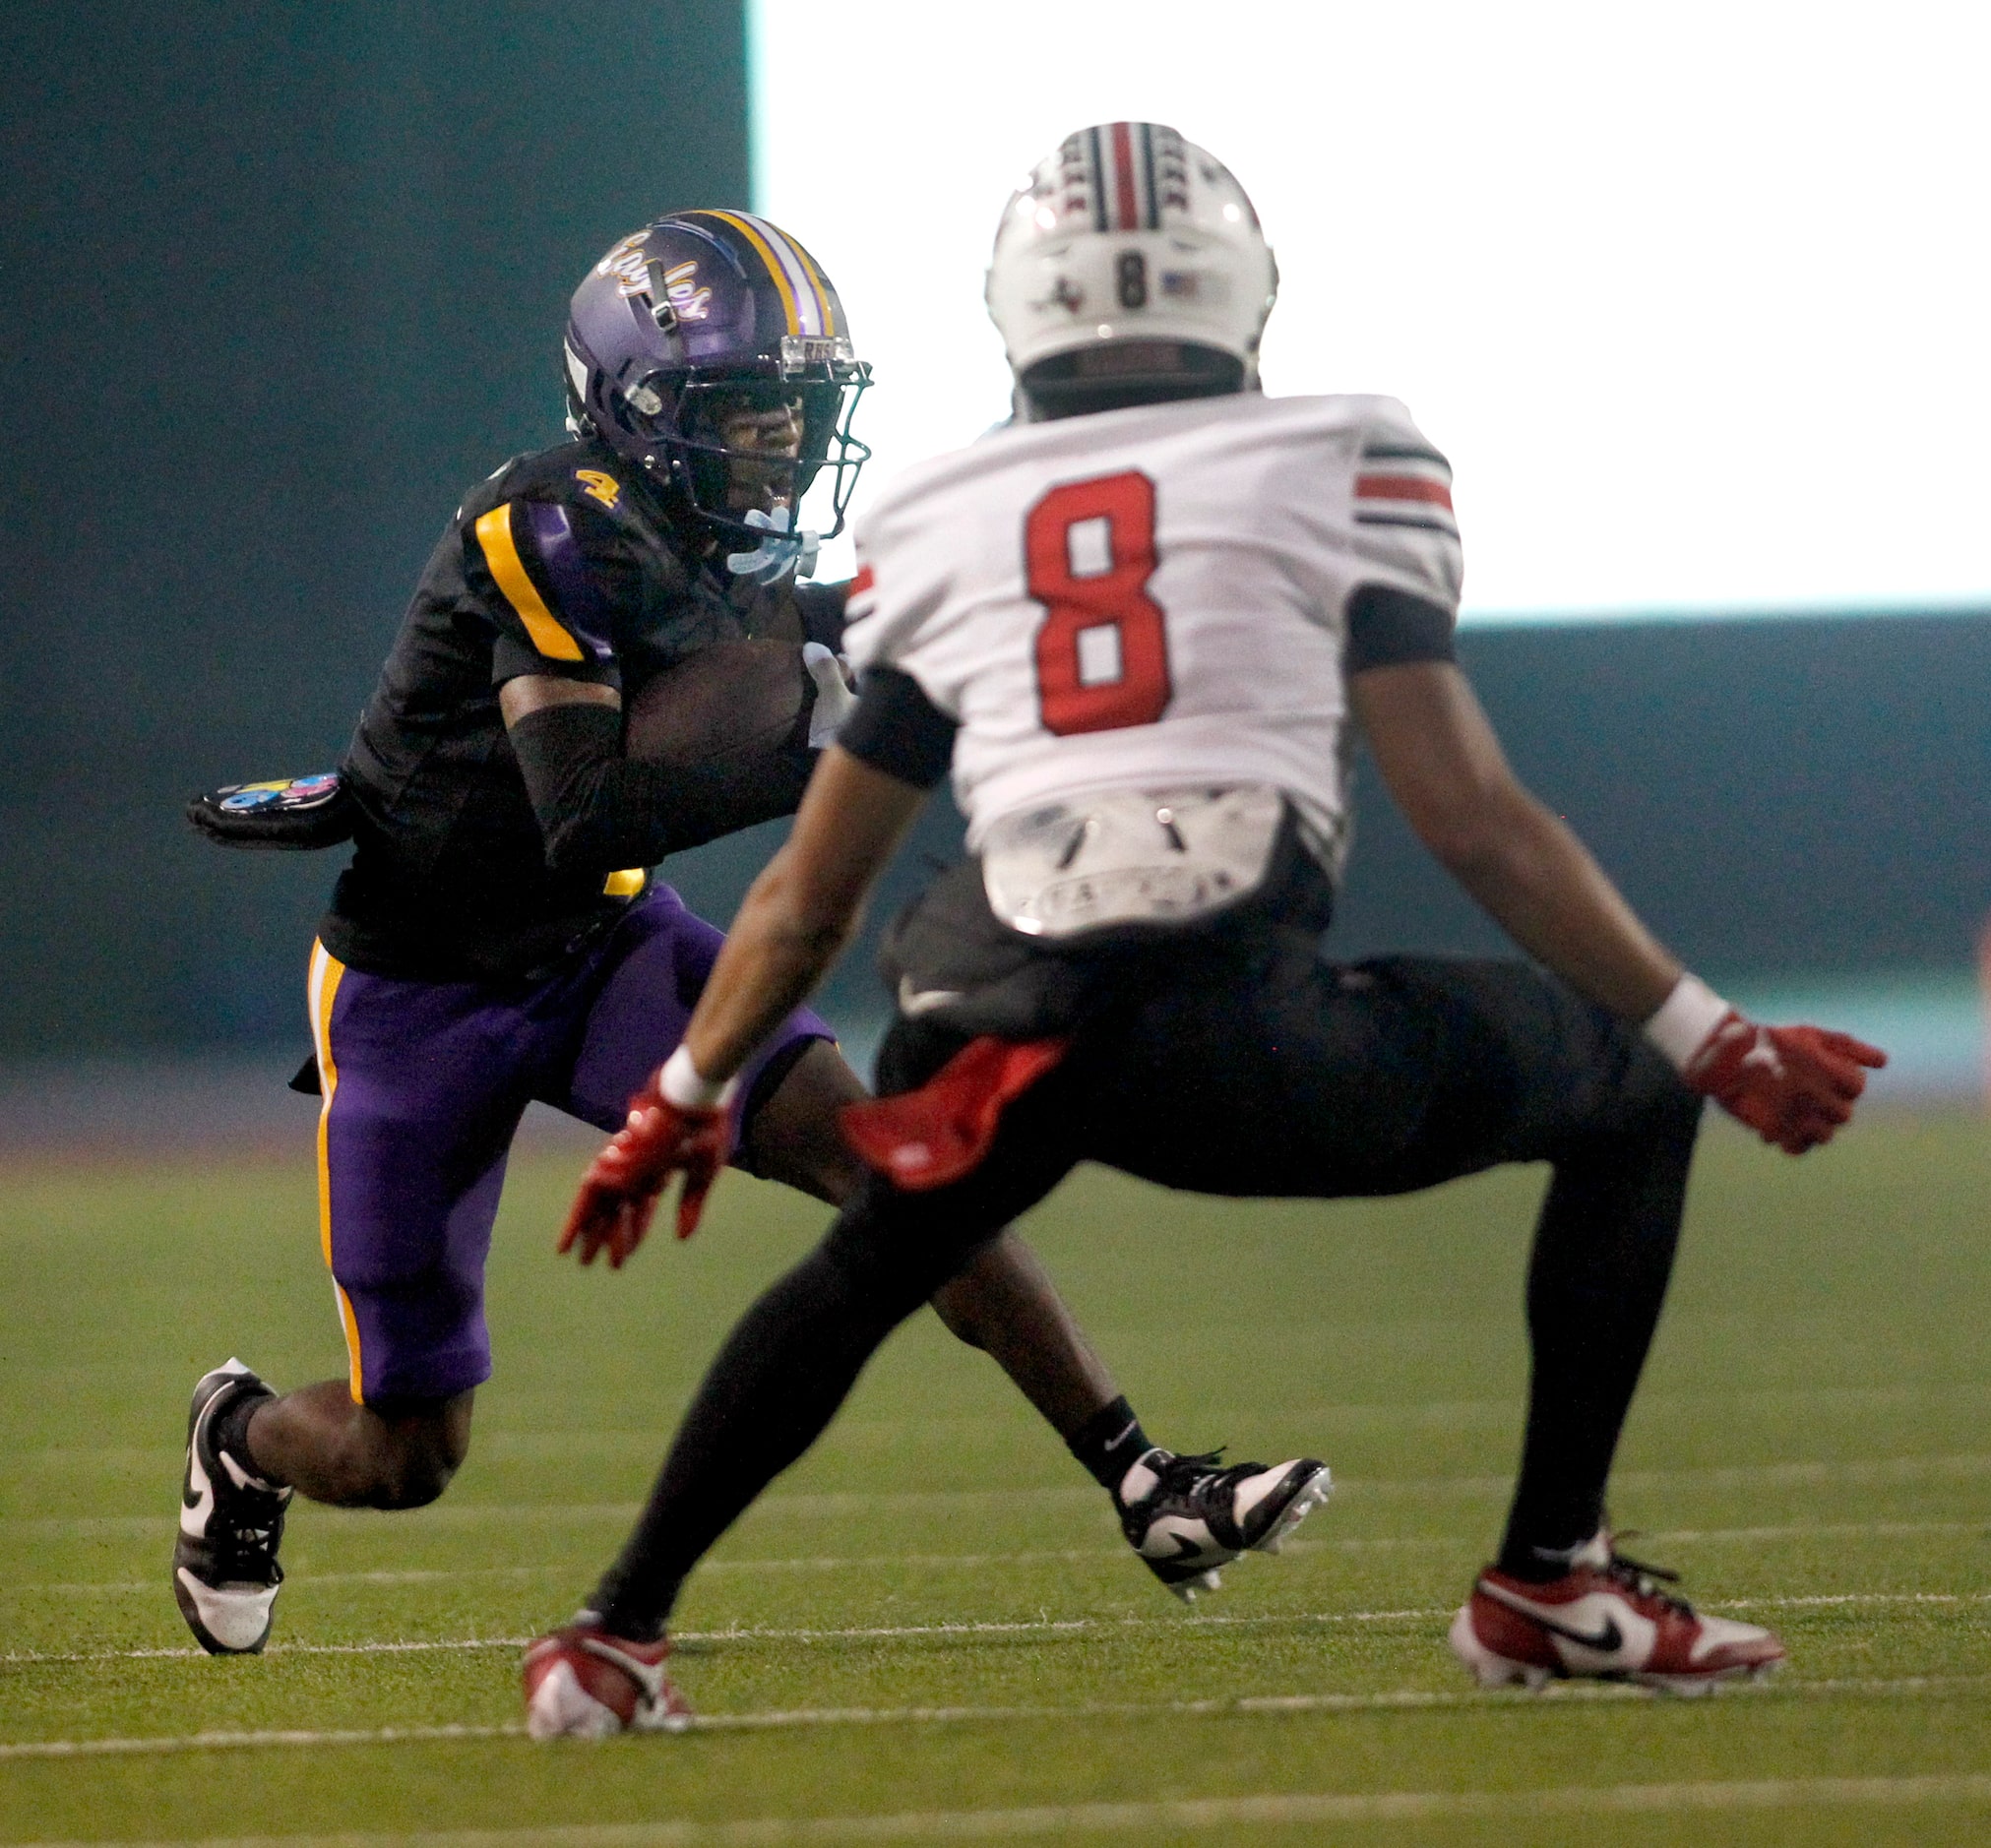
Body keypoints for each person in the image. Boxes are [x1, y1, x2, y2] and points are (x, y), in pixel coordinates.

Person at [524, 124, 1888, 1737]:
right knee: (1630, 1088)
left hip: (988, 1015)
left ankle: (611, 1637)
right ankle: (1546, 1576)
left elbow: (813, 893)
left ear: (1022, 310)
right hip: (1229, 1019)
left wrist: (681, 1097)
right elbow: (1474, 817)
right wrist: (1711, 1037)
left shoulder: (940, 509)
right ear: (1242, 290)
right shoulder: (1350, 454)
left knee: (878, 1259)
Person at [171, 208, 1331, 1662]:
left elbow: (800, 633)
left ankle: (1145, 1475)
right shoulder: (548, 524)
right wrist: (836, 721)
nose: (781, 439)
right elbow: (589, 807)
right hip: (423, 995)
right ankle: (242, 1435)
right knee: (403, 1456)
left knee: (906, 1162)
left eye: (798, 404)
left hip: (599, 948)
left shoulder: (694, 523)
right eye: (746, 407)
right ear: (636, 408)